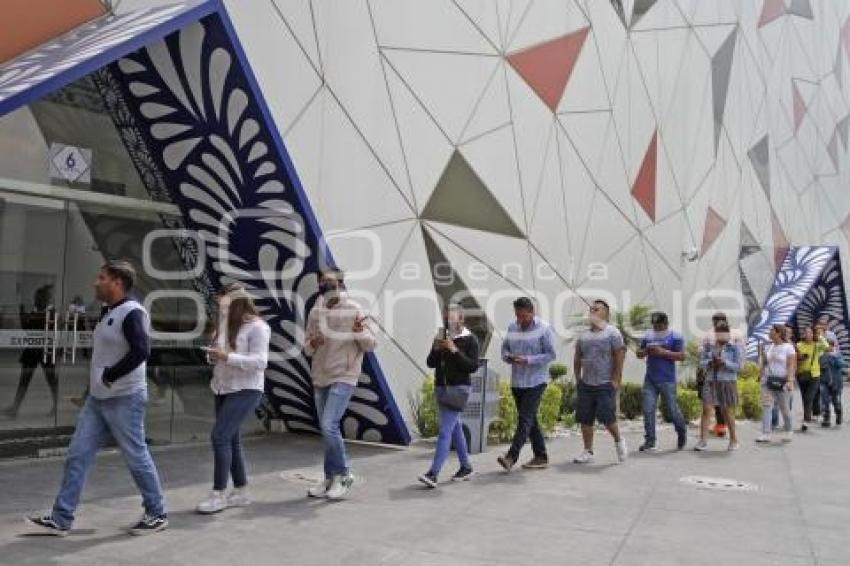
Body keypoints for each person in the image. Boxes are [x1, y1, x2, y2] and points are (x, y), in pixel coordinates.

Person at [25, 261, 167, 536]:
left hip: (125, 399)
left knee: (136, 456)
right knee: (77, 455)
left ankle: (157, 512)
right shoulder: (108, 311)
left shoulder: (131, 312)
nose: (95, 282)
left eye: (101, 278)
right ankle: (61, 518)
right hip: (98, 400)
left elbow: (142, 350)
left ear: (117, 282)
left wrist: (111, 375)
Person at [196, 284, 271, 513]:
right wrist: (213, 355)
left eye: (224, 303)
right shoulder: (224, 326)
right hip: (222, 388)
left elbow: (260, 362)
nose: (221, 308)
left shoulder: (257, 327)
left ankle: (218, 494)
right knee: (231, 440)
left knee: (219, 437)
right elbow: (218, 358)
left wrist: (227, 356)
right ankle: (241, 491)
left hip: (246, 389)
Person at [304, 268, 376, 500]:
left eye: (330, 282)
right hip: (320, 374)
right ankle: (329, 478)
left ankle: (344, 474)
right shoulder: (315, 312)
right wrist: (313, 342)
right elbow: (306, 348)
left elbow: (371, 344)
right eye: (322, 282)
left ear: (341, 284)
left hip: (345, 374)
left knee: (329, 425)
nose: (325, 285)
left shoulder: (353, 309)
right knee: (327, 430)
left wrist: (358, 333)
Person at [418, 304, 480, 488]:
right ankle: (466, 467)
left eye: (452, 319)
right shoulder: (441, 336)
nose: (448, 322)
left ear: (461, 319)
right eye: (446, 319)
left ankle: (433, 473)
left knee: (445, 431)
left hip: (459, 389)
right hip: (441, 388)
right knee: (455, 428)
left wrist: (454, 350)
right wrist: (437, 349)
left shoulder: (470, 340)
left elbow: (472, 367)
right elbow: (430, 363)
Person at [496, 297, 556, 471]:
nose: (520, 320)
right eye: (517, 316)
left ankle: (511, 457)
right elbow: (504, 347)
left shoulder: (544, 329)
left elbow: (551, 354)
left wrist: (528, 360)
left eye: (523, 316)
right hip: (517, 381)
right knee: (530, 420)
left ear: (532, 312)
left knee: (524, 420)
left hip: (536, 381)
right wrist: (508, 356)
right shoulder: (512, 327)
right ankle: (541, 456)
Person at [572, 299, 628, 464]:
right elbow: (577, 357)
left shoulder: (613, 333)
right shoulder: (583, 335)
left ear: (605, 313)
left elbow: (619, 356)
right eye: (592, 309)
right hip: (587, 383)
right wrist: (578, 378)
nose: (593, 311)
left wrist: (616, 379)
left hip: (605, 383)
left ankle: (619, 441)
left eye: (597, 309)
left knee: (607, 418)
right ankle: (588, 451)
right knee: (585, 419)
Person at [2, 285, 59, 418]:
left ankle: (54, 406)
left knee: (50, 380)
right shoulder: (38, 311)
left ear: (43, 300)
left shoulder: (50, 313)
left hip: (45, 351)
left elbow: (31, 328)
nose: (35, 300)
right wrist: (23, 312)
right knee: (25, 380)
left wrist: (25, 314)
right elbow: (27, 328)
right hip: (35, 350)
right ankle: (15, 408)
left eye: (37, 298)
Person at [636, 312, 687, 452]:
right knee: (648, 410)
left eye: (659, 325)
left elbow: (682, 356)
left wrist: (662, 352)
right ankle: (650, 440)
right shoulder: (648, 335)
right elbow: (638, 353)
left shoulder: (675, 336)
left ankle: (682, 432)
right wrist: (645, 351)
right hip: (650, 379)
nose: (656, 328)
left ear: (666, 324)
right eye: (654, 325)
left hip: (667, 380)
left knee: (672, 410)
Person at [696, 320, 741, 451]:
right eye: (718, 333)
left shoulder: (734, 348)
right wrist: (710, 362)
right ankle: (703, 440)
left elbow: (738, 366)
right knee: (706, 409)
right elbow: (701, 363)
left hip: (726, 381)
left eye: (723, 333)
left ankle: (734, 440)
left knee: (726, 411)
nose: (721, 336)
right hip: (710, 380)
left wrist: (724, 363)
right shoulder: (709, 347)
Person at [756, 324, 795, 443]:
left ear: (778, 333)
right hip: (768, 380)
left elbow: (791, 365)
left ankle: (789, 430)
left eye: (771, 330)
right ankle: (766, 433)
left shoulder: (788, 347)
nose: (769, 332)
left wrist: (789, 380)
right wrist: (761, 355)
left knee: (784, 408)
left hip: (782, 381)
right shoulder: (769, 347)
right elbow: (765, 363)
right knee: (767, 406)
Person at [795, 326, 829, 426]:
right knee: (804, 397)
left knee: (809, 397)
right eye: (806, 333)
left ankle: (806, 420)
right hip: (801, 374)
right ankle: (807, 417)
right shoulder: (799, 345)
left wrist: (821, 337)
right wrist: (800, 358)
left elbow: (827, 347)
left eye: (810, 333)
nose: (808, 335)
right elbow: (795, 357)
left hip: (814, 375)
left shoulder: (817, 345)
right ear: (803, 334)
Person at [819, 336, 845, 427]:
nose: (828, 348)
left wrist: (835, 357)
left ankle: (838, 414)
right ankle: (826, 419)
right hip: (824, 382)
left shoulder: (838, 355)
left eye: (830, 346)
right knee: (825, 401)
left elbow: (842, 365)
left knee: (836, 401)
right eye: (826, 346)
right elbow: (819, 367)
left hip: (836, 383)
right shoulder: (822, 356)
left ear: (833, 346)